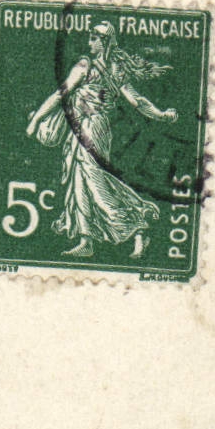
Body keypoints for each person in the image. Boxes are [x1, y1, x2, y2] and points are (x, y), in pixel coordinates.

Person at [26, 21, 178, 259]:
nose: (89, 43)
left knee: (95, 181)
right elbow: (136, 101)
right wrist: (161, 114)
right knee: (81, 182)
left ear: (104, 41)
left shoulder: (88, 66)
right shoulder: (115, 69)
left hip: (91, 128)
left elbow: (61, 93)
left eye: (93, 39)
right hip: (89, 128)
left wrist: (36, 119)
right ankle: (86, 240)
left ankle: (138, 224)